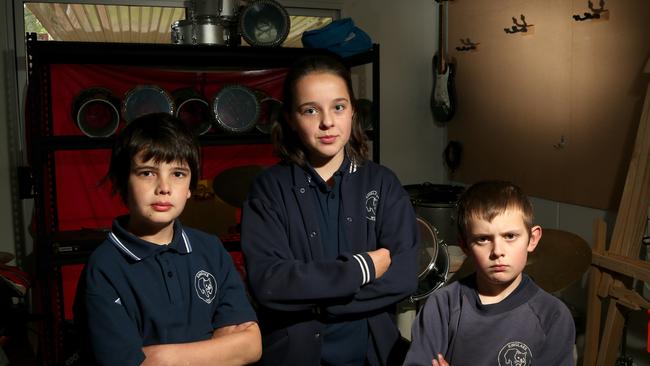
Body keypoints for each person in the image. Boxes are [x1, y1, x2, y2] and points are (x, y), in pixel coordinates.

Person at [240, 55, 419, 366]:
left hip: (373, 356)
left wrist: (321, 303)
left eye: (338, 107)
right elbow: (269, 283)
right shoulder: (269, 189)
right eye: (310, 110)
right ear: (291, 118)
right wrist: (360, 270)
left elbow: (403, 276)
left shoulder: (383, 183)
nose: (327, 122)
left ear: (352, 111)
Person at [74, 113, 261, 366]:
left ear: (190, 188)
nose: (164, 187)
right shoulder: (105, 268)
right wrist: (218, 349)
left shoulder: (210, 249)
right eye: (148, 173)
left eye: (178, 174)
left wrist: (161, 357)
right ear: (121, 181)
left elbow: (250, 347)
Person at [403, 180, 576, 366]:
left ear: (532, 239)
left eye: (510, 236)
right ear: (465, 246)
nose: (497, 251)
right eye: (483, 239)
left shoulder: (553, 316)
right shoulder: (443, 306)